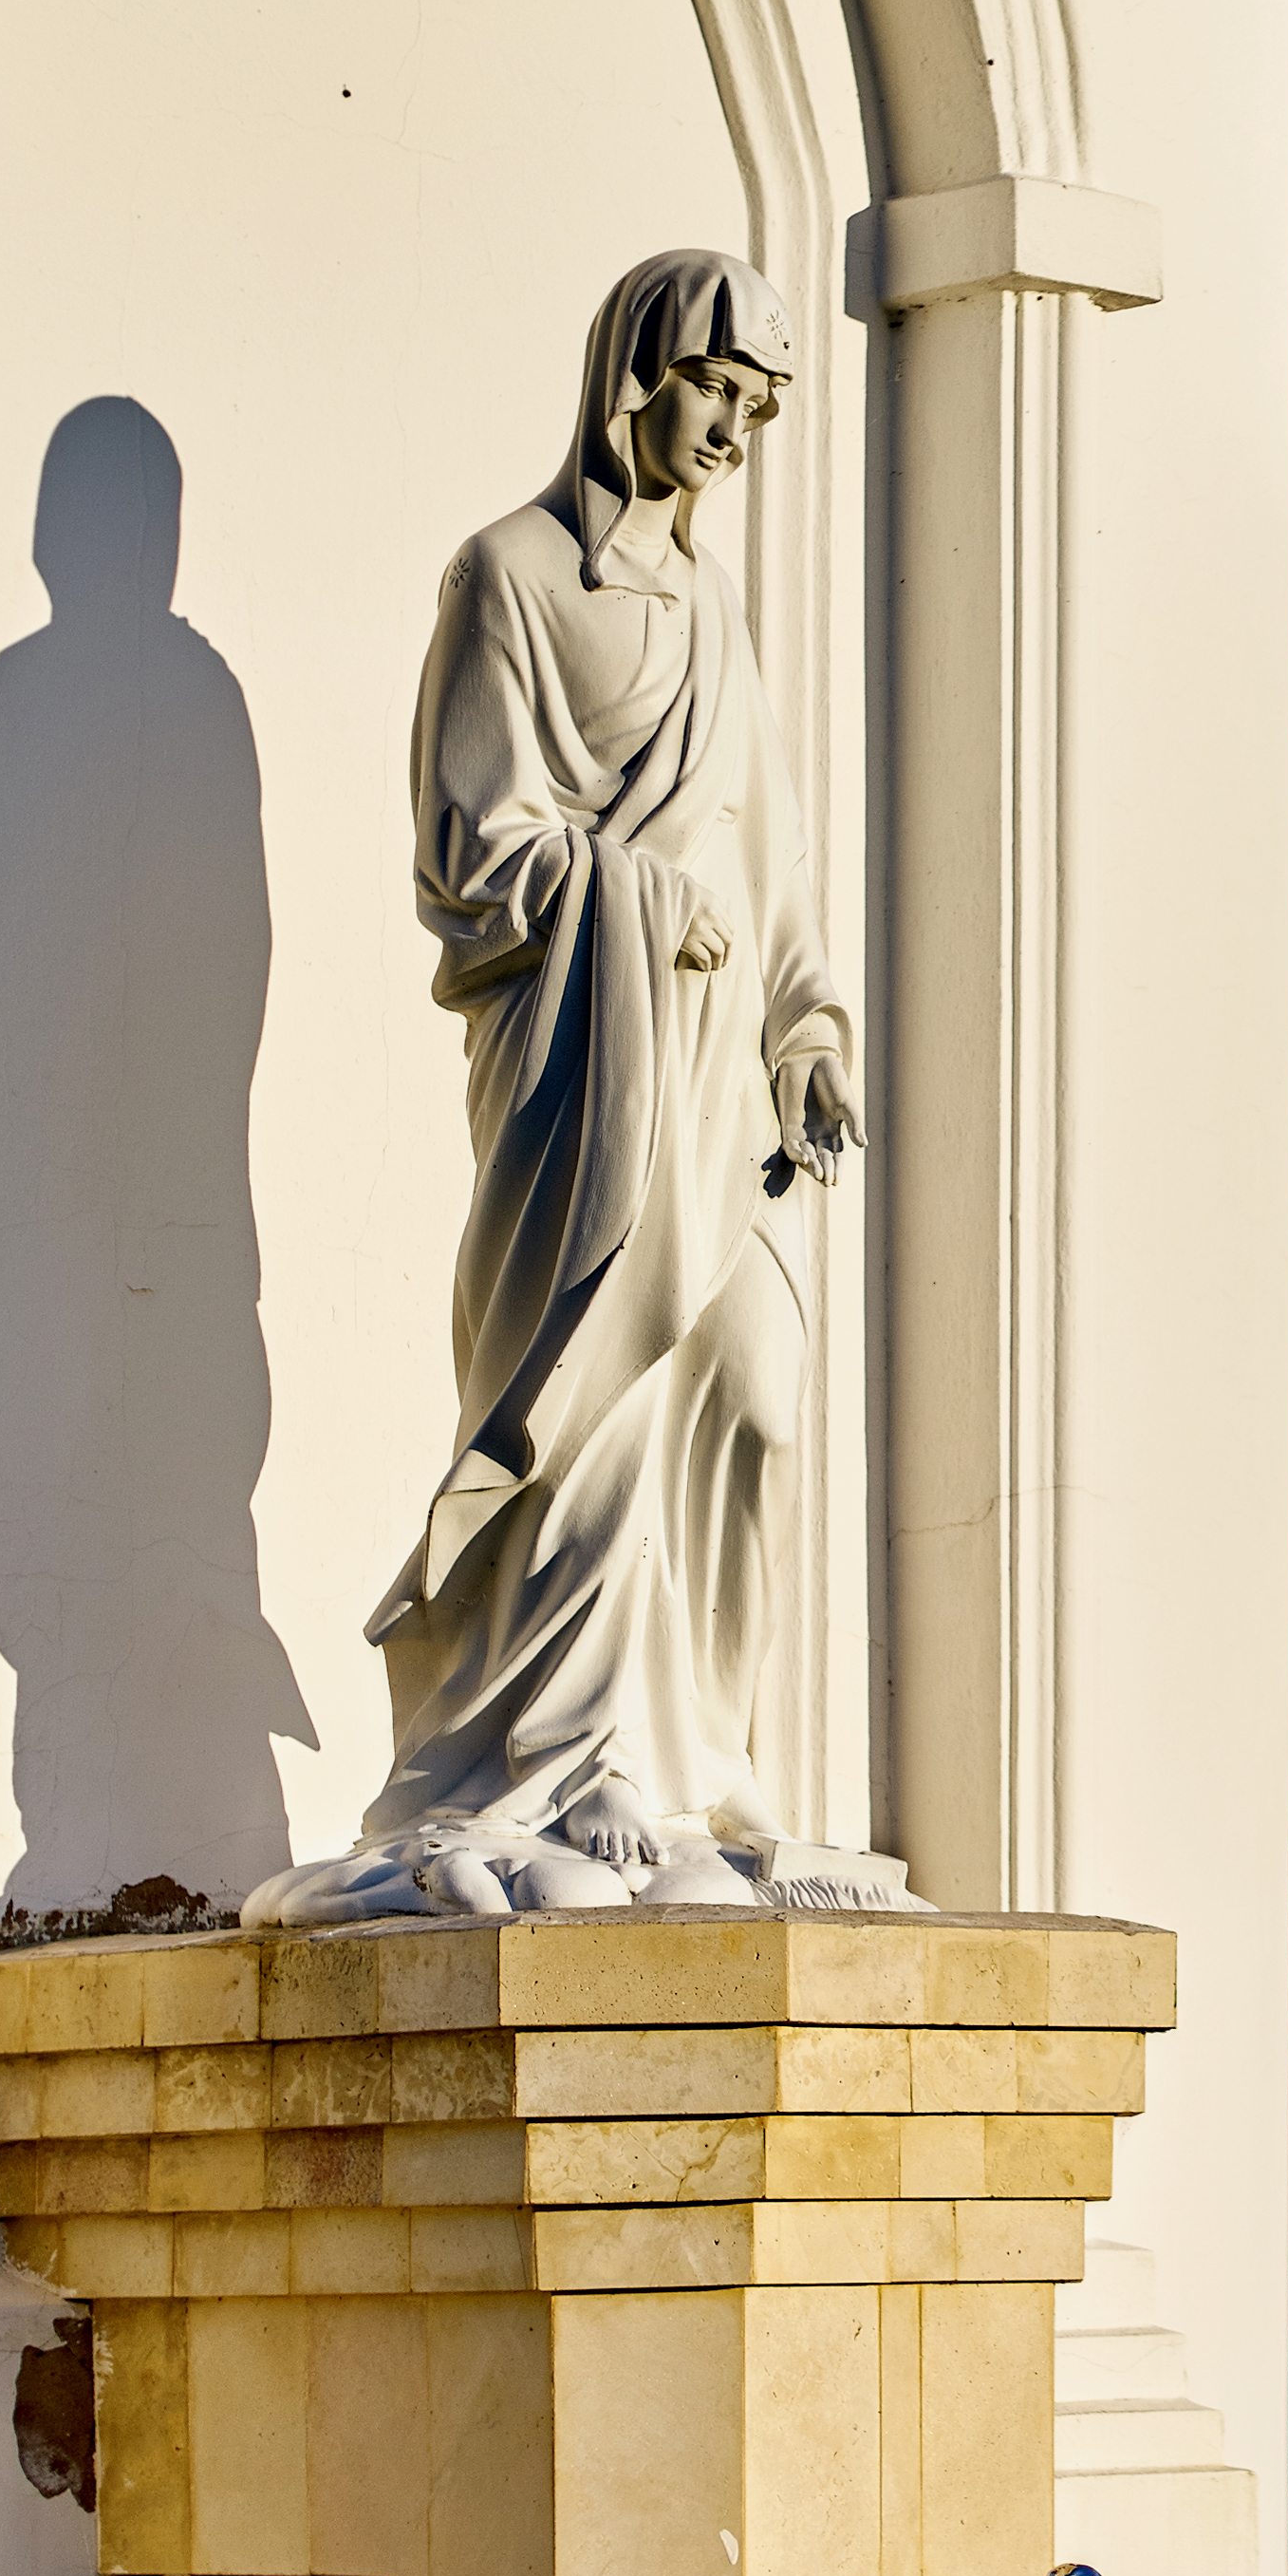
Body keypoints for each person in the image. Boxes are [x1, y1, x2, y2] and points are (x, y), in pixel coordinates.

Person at [252, 252, 865, 1922]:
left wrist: (804, 1023)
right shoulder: (510, 575)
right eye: (713, 391)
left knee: (755, 1396)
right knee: (583, 1400)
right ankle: (558, 1756)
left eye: (759, 405)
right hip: (579, 1067)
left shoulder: (723, 608)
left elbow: (772, 841)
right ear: (632, 379)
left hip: (721, 1075)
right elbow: (474, 848)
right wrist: (635, 903)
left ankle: (697, 1756)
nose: (733, 428)